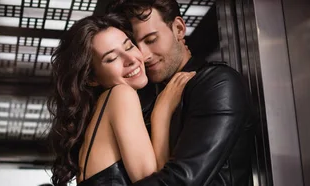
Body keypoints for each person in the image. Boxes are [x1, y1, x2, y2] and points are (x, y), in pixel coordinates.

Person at [106, 0, 257, 186]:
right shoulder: (148, 96)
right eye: (134, 45)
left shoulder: (217, 83)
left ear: (178, 29)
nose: (143, 56)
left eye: (151, 40)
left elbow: (181, 181)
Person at [47, 14, 196, 186]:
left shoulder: (101, 113)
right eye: (111, 58)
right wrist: (161, 114)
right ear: (92, 78)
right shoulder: (121, 95)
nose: (131, 60)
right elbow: (158, 182)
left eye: (129, 46)